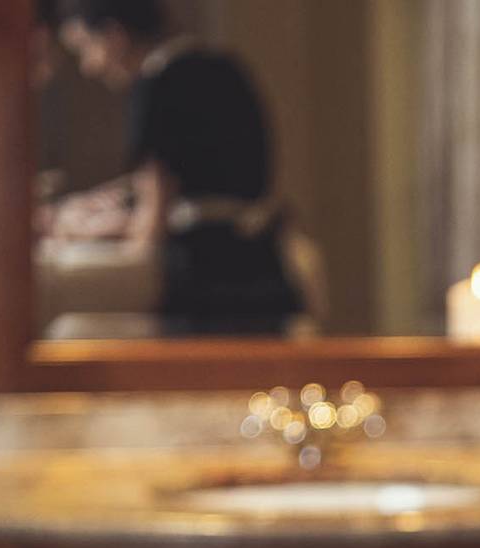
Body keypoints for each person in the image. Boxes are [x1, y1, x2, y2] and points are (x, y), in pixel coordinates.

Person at [55, 0, 298, 333]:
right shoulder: (225, 67)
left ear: (114, 35)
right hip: (264, 265)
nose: (89, 67)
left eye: (86, 48)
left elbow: (152, 226)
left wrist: (90, 230)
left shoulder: (155, 82)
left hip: (203, 279)